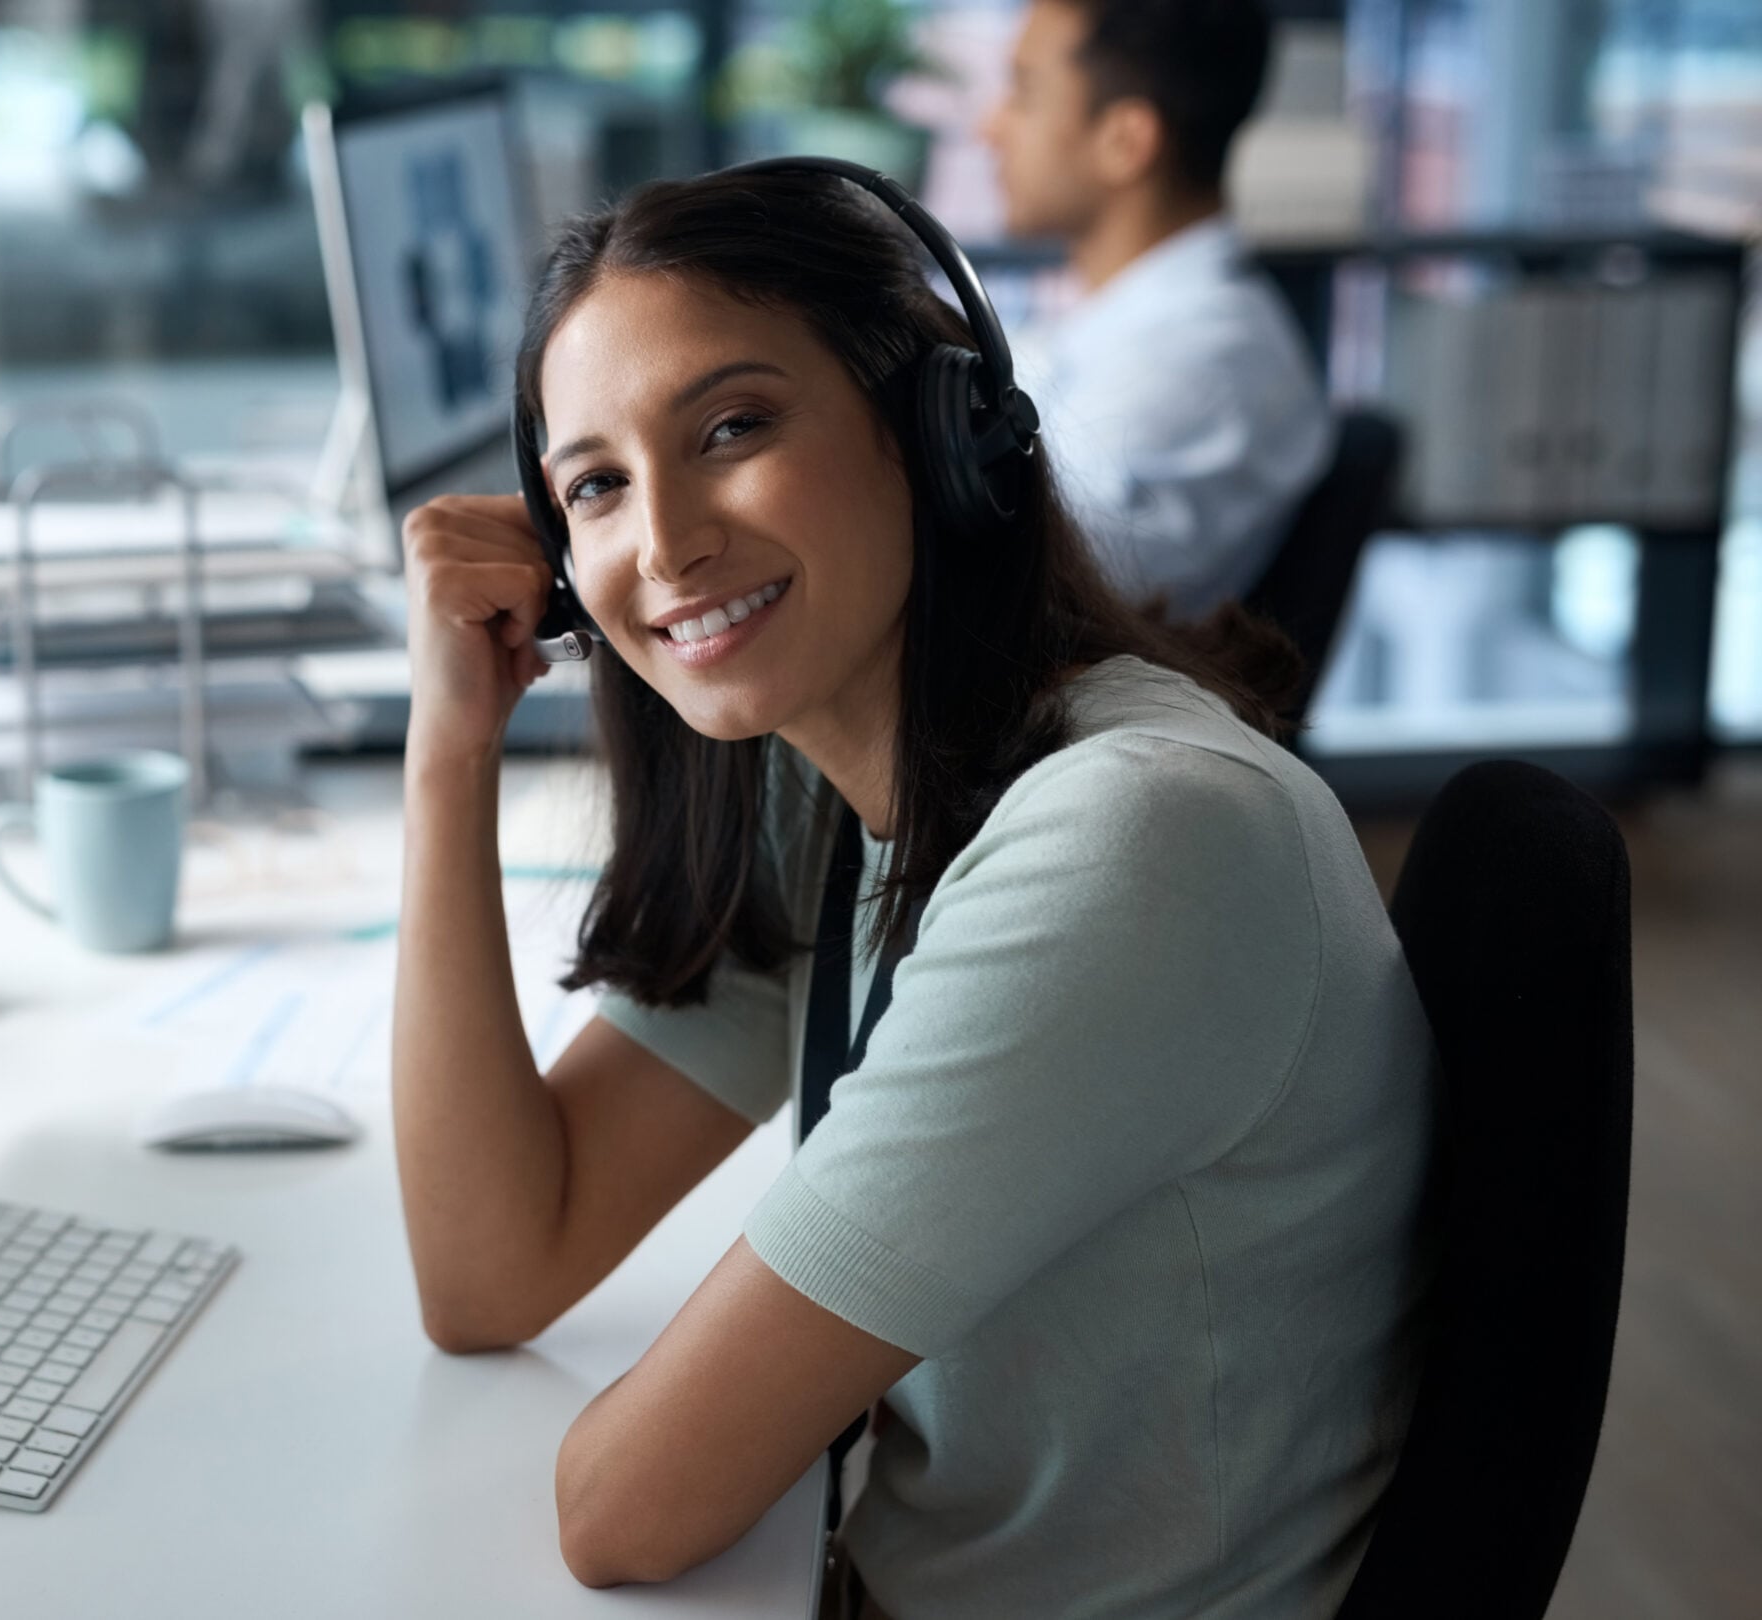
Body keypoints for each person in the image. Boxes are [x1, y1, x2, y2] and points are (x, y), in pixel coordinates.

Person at [391, 168, 1432, 1618]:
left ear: (945, 431)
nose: (665, 541)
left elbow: (622, 1510)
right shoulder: (827, 778)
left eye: (734, 427)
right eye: (597, 485)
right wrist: (450, 753)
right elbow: (495, 1270)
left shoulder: (1130, 846)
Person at [981, 0, 1332, 618]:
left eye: (1024, 93)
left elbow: (1026, 586)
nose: (992, 127)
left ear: (1125, 140)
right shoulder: (1122, 328)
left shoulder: (1209, 360)